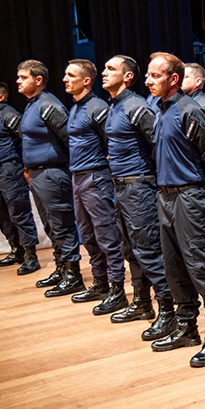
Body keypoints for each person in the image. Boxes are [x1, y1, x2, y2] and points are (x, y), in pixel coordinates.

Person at [145, 52, 205, 368]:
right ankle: (186, 327)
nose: (148, 80)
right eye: (148, 75)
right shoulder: (161, 110)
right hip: (165, 197)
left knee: (202, 266)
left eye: (155, 75)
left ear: (173, 79)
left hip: (190, 197)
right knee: (174, 266)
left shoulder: (189, 109)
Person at [100, 55, 172, 328]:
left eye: (111, 69)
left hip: (138, 187)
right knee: (130, 249)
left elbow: (159, 144)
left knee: (149, 250)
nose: (104, 72)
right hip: (121, 187)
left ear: (127, 76)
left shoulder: (136, 106)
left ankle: (168, 311)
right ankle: (142, 304)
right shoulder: (115, 105)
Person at [16, 60, 85, 296]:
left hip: (52, 173)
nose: (18, 81)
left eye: (23, 77)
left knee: (61, 224)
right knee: (50, 225)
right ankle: (61, 268)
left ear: (38, 80)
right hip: (38, 174)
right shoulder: (32, 104)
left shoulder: (49, 104)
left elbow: (70, 139)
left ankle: (73, 275)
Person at [62, 59, 126, 304]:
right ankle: (100, 283)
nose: (65, 79)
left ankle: (117, 289)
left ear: (86, 80)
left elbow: (112, 142)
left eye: (71, 75)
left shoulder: (97, 106)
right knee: (87, 235)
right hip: (77, 177)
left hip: (95, 177)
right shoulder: (75, 107)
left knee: (106, 234)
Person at [0, 81, 40, 274]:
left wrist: (25, 166)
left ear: (1, 97)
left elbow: (27, 140)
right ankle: (16, 250)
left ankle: (30, 256)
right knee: (1, 213)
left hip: (9, 169)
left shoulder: (8, 114)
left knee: (18, 211)